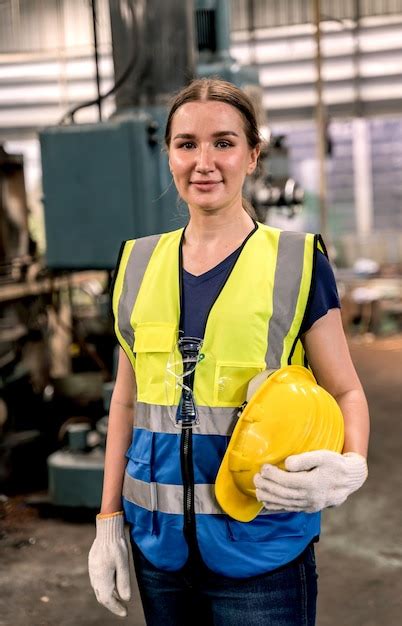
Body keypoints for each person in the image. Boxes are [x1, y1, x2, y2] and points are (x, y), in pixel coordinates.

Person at [88, 78, 369, 625]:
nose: (204, 162)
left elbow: (346, 389)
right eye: (187, 144)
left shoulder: (296, 262)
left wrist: (351, 463)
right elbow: (126, 402)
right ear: (168, 154)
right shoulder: (137, 263)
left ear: (252, 154)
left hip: (262, 544)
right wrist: (108, 520)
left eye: (224, 142)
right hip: (158, 548)